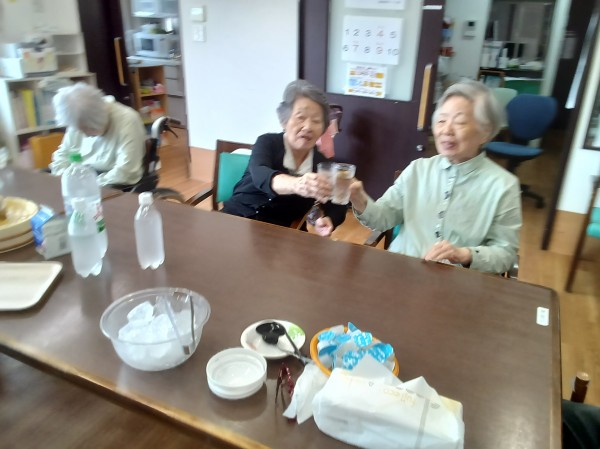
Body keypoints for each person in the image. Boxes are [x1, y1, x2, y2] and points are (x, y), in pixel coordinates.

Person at [349, 79, 522, 274]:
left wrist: (466, 255)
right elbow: (383, 218)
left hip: (458, 282)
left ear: (485, 132)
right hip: (400, 273)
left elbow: (505, 254)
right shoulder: (418, 169)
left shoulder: (503, 185)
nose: (446, 130)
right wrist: (359, 199)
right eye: (441, 120)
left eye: (459, 122)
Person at [221, 80, 347, 237]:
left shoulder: (322, 164)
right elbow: (261, 174)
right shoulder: (267, 142)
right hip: (236, 220)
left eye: (316, 121)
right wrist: (298, 184)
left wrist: (330, 219)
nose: (308, 127)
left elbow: (337, 203)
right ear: (284, 121)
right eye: (301, 117)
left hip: (281, 234)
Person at [49, 82, 146, 187]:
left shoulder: (128, 120)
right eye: (80, 129)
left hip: (111, 184)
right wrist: (65, 177)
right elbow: (63, 155)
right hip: (81, 179)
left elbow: (126, 172)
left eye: (87, 129)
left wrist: (88, 184)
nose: (85, 135)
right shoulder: (76, 117)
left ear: (98, 120)